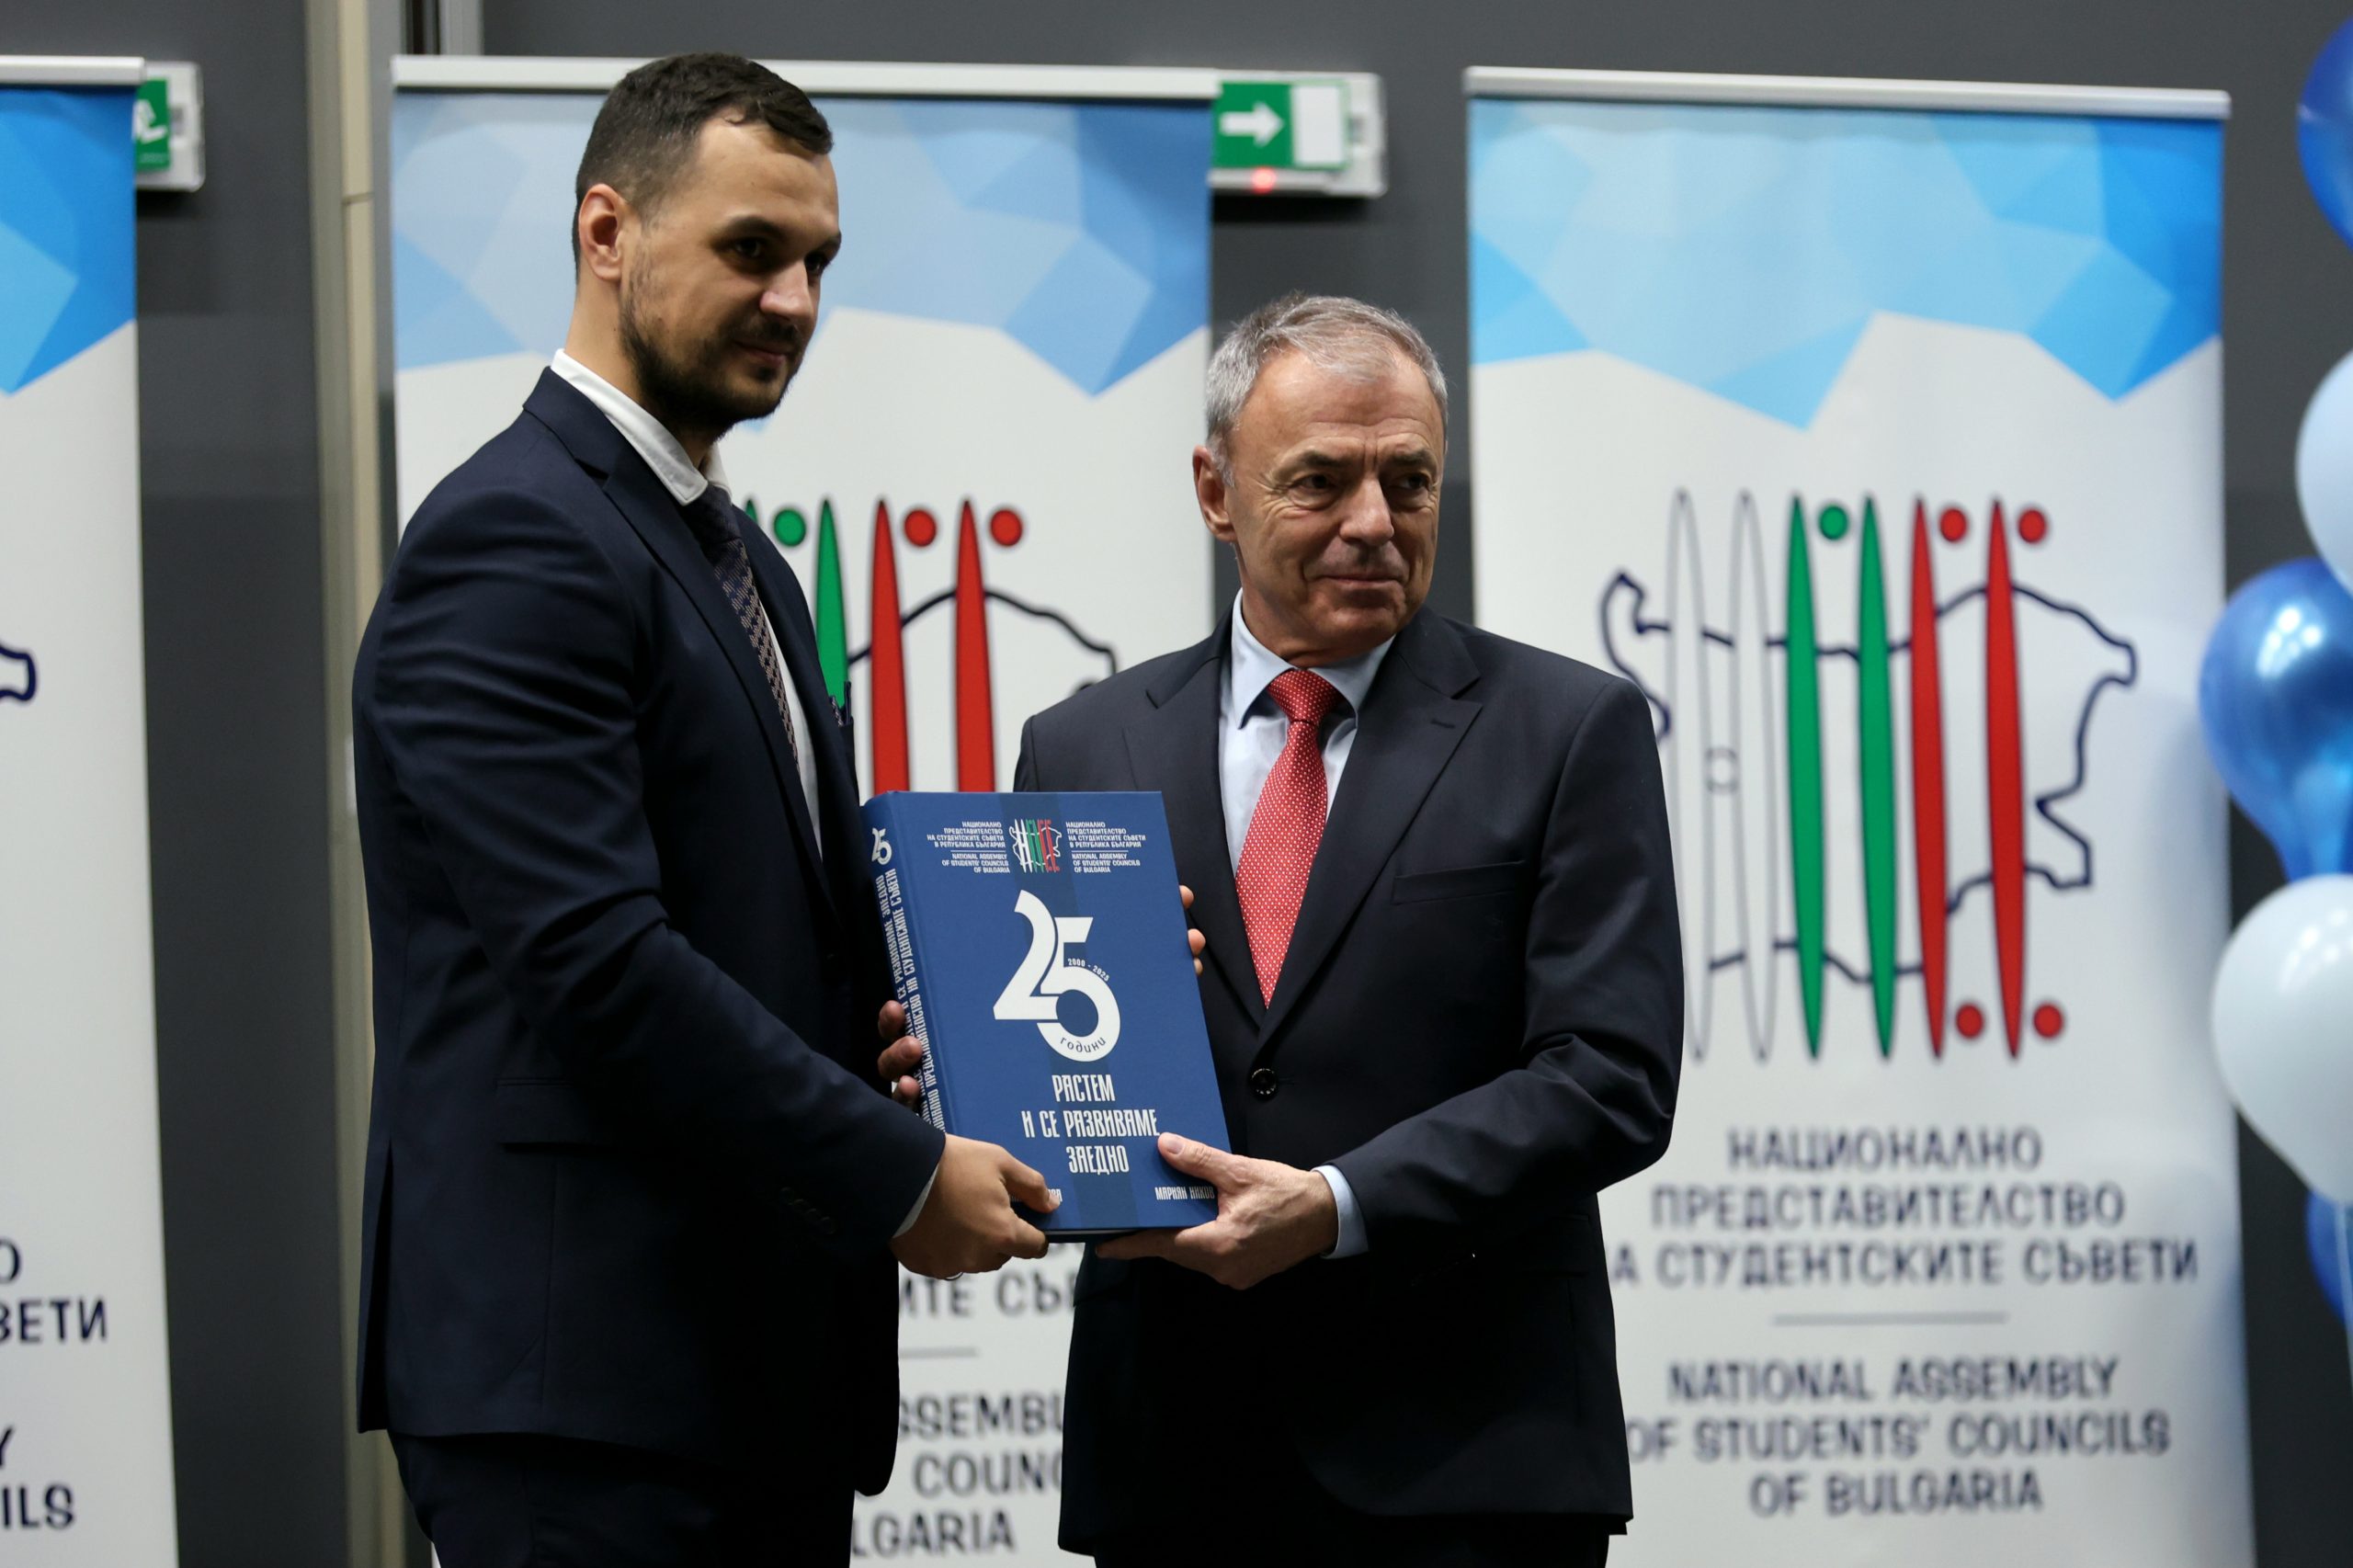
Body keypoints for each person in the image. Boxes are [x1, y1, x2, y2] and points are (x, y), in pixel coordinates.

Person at [352, 52, 1052, 1563]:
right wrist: (900, 1174)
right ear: (607, 232)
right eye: (751, 248)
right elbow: (599, 965)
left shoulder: (737, 558)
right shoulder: (516, 536)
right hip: (589, 1396)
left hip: (743, 1378)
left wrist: (1025, 986)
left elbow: (777, 933)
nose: (794, 299)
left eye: (819, 262)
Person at [882, 294, 1683, 1565]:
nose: (1375, 522)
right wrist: (952, 1075)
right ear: (1216, 491)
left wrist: (1334, 1203)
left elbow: (1610, 1077)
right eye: (1320, 481)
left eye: (1409, 480)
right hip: (1175, 1457)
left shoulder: (1568, 729)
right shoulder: (1082, 744)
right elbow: (1045, 1062)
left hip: (1470, 1461)